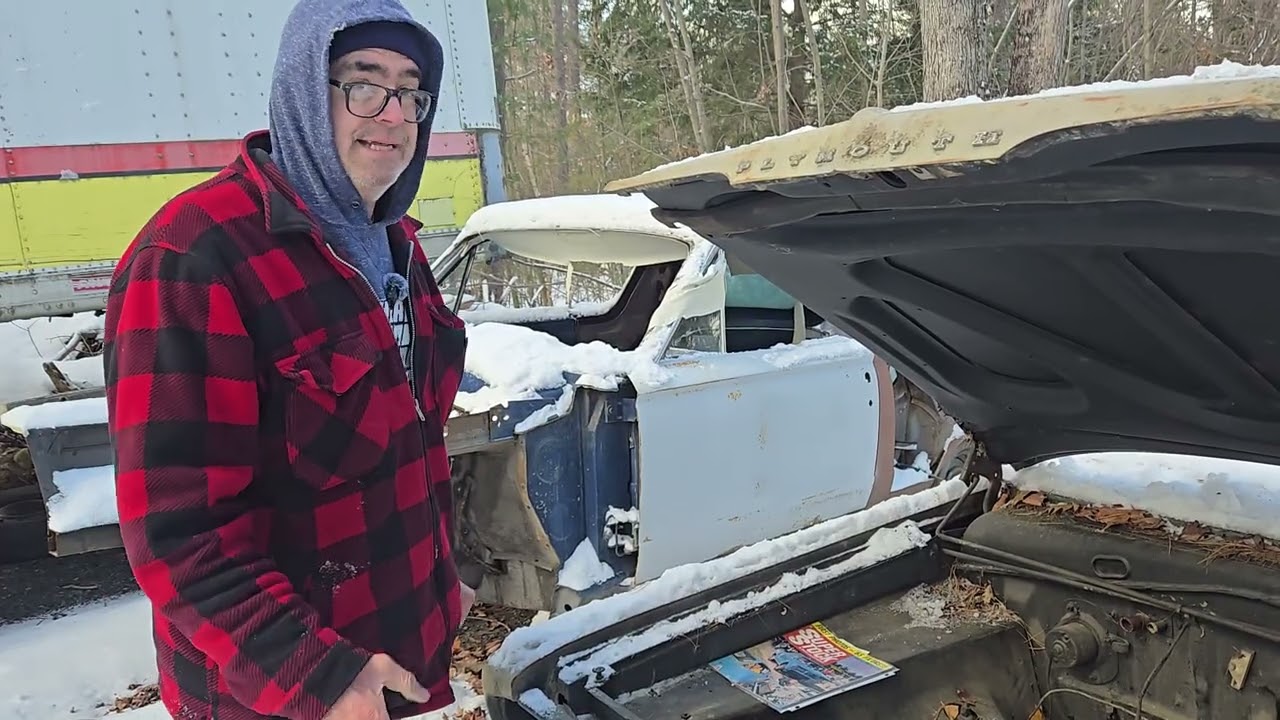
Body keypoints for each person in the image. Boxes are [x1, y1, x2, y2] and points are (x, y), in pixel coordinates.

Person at [102, 1, 473, 718]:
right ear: (305, 90)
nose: (393, 115)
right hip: (279, 691)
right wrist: (318, 675)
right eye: (363, 84)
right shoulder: (194, 258)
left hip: (395, 663)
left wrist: (438, 592)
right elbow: (180, 535)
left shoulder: (396, 245)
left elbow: (407, 451)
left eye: (410, 92)